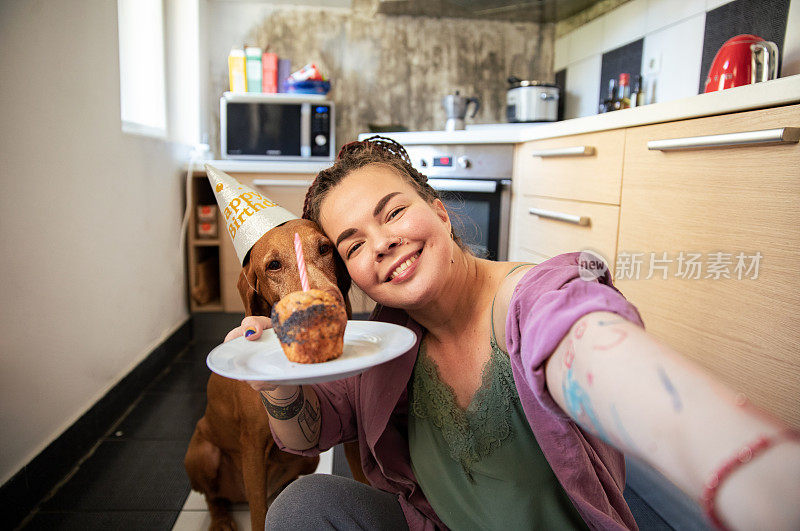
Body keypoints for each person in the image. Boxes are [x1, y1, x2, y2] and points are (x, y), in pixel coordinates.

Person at [225, 137, 800, 530]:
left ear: (440, 211)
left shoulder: (536, 301)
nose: (380, 243)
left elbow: (590, 346)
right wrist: (272, 379)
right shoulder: (384, 338)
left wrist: (753, 468)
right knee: (304, 504)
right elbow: (306, 437)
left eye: (394, 212)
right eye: (352, 243)